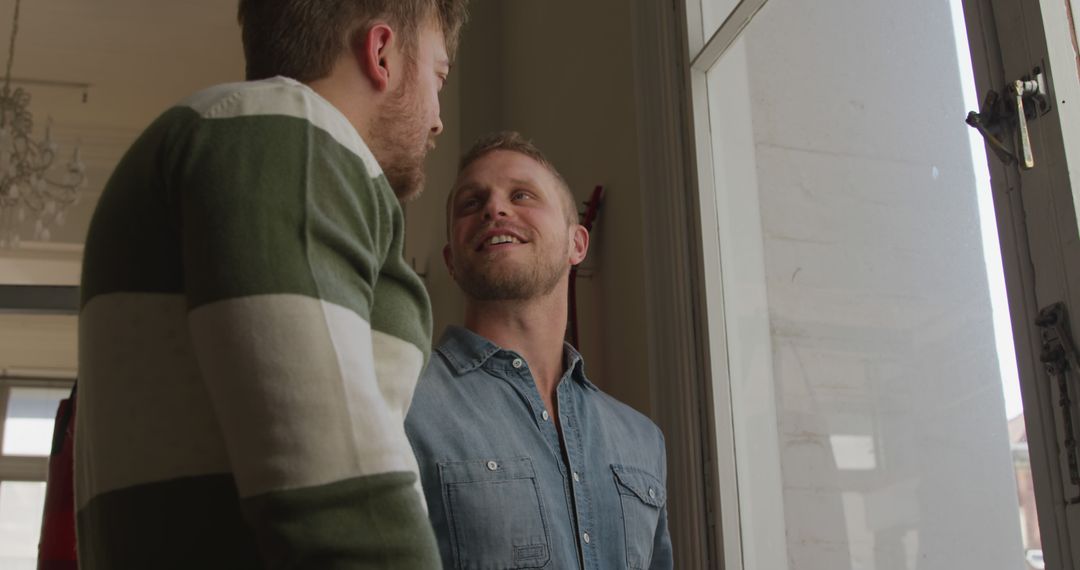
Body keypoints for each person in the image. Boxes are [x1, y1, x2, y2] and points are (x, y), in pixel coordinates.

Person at [75, 1, 468, 567]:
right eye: (439, 76)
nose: (437, 119)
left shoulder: (243, 136)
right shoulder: (287, 130)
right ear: (381, 52)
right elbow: (334, 495)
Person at [405, 132, 674, 569]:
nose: (495, 208)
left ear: (577, 244)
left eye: (522, 194)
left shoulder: (643, 440)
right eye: (471, 204)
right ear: (451, 260)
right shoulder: (401, 403)